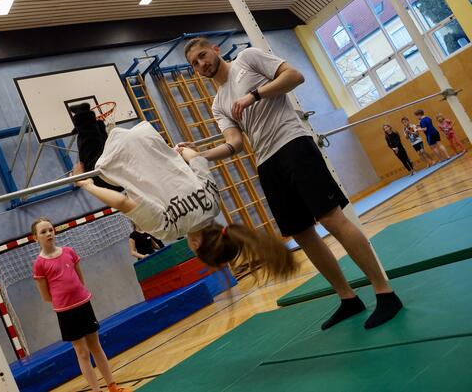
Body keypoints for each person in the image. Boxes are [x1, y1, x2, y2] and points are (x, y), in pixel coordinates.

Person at [183, 37, 402, 330]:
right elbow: (234, 143)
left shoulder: (247, 59)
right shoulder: (217, 103)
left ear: (215, 50)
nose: (201, 64)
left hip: (293, 144)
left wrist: (254, 95)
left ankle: (384, 292)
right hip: (266, 163)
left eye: (203, 55)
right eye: (195, 63)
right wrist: (199, 155)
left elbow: (295, 76)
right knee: (302, 234)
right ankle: (347, 297)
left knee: (331, 218)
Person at [69, 106, 296, 284]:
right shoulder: (170, 230)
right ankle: (84, 117)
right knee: (96, 172)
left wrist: (180, 151)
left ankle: (96, 124)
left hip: (148, 137)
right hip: (123, 153)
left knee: (108, 171)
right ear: (196, 245)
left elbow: (196, 158)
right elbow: (122, 202)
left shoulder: (213, 204)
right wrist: (85, 184)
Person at [32, 217, 131, 392]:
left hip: (84, 304)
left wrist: (77, 294)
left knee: (96, 346)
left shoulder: (69, 251)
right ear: (35, 238)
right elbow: (46, 296)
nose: (48, 234)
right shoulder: (40, 264)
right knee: (82, 352)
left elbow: (80, 279)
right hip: (66, 312)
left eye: (50, 229)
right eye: (43, 232)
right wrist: (64, 300)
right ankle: (96, 390)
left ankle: (112, 386)